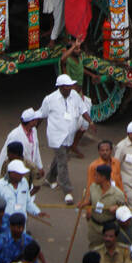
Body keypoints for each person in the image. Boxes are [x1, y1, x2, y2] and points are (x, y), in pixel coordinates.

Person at [38, 73, 92, 205]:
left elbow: (82, 109)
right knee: (63, 160)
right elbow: (41, 114)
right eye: (67, 87)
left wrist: (90, 122)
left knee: (59, 158)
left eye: (70, 86)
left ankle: (49, 178)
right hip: (57, 137)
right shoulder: (49, 99)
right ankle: (67, 191)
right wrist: (33, 130)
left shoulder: (74, 96)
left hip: (69, 136)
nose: (70, 88)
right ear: (60, 87)